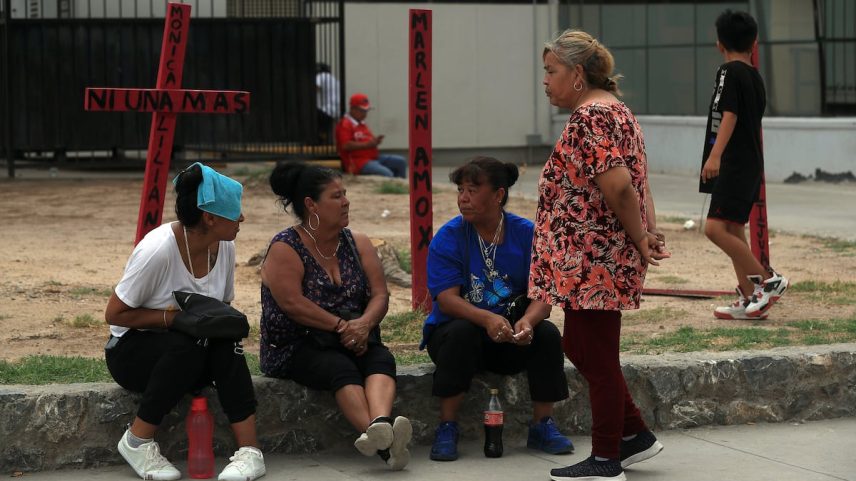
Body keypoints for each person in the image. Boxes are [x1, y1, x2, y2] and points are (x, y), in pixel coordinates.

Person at [534, 30, 671, 481]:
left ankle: (607, 457)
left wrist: (641, 237)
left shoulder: (592, 117)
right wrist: (646, 232)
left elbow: (619, 187)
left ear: (576, 74)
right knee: (580, 345)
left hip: (596, 259)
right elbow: (639, 183)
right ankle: (635, 436)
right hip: (593, 258)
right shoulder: (616, 111)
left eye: (551, 72)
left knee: (596, 353)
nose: (546, 81)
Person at [104, 162, 265, 481]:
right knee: (191, 341)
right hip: (133, 353)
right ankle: (137, 440)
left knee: (224, 340)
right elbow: (115, 314)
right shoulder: (158, 250)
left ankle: (250, 451)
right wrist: (176, 320)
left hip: (189, 355)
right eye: (235, 211)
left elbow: (220, 308)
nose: (242, 218)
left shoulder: (226, 246)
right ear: (210, 217)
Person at [259, 162, 412, 470]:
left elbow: (380, 294)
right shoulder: (286, 247)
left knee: (380, 358)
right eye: (336, 196)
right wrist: (343, 327)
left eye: (345, 194)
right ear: (310, 204)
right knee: (338, 366)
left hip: (353, 335)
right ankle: (384, 442)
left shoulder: (358, 242)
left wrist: (365, 324)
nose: (345, 202)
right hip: (296, 343)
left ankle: (380, 425)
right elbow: (292, 304)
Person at [421, 156, 574, 462]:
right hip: (459, 337)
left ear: (498, 195)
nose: (463, 198)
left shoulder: (526, 234)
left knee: (546, 334)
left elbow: (544, 293)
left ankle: (542, 425)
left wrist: (528, 322)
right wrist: (488, 318)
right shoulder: (450, 237)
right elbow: (446, 299)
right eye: (460, 190)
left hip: (510, 337)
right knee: (461, 333)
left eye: (472, 190)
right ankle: (447, 426)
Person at [700, 10, 788, 320]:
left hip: (734, 164)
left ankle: (767, 282)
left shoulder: (728, 71)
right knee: (734, 229)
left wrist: (714, 156)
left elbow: (730, 114)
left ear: (719, 43)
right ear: (755, 43)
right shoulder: (755, 76)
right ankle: (750, 297)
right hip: (749, 164)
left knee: (713, 228)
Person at [335, 93, 407, 178]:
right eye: (362, 111)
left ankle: (401, 189)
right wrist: (368, 144)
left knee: (401, 162)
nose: (365, 114)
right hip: (358, 162)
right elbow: (345, 145)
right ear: (353, 109)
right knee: (387, 173)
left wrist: (375, 142)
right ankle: (391, 188)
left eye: (366, 111)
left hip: (373, 158)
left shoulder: (361, 123)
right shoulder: (345, 124)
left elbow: (367, 141)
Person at [315, 63, 340, 145]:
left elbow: (316, 87)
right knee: (331, 129)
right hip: (335, 109)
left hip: (325, 109)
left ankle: (318, 141)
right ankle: (331, 144)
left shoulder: (321, 76)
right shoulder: (334, 79)